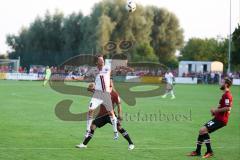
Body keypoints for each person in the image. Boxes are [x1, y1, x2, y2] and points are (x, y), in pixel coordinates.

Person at [188, 78, 233, 158]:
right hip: (218, 117)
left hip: (221, 119)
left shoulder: (227, 95)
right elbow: (222, 107)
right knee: (202, 131)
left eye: (222, 82)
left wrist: (216, 110)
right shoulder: (224, 94)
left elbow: (228, 108)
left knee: (203, 130)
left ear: (226, 84)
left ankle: (209, 151)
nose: (220, 83)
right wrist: (215, 112)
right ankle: (197, 151)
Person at [84, 55, 118, 140]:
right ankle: (88, 130)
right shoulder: (93, 70)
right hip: (97, 94)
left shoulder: (107, 68)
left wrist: (110, 88)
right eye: (100, 60)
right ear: (97, 62)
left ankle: (115, 132)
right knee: (90, 110)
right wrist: (91, 85)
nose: (102, 61)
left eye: (103, 60)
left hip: (106, 94)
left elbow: (110, 78)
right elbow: (85, 78)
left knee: (111, 113)